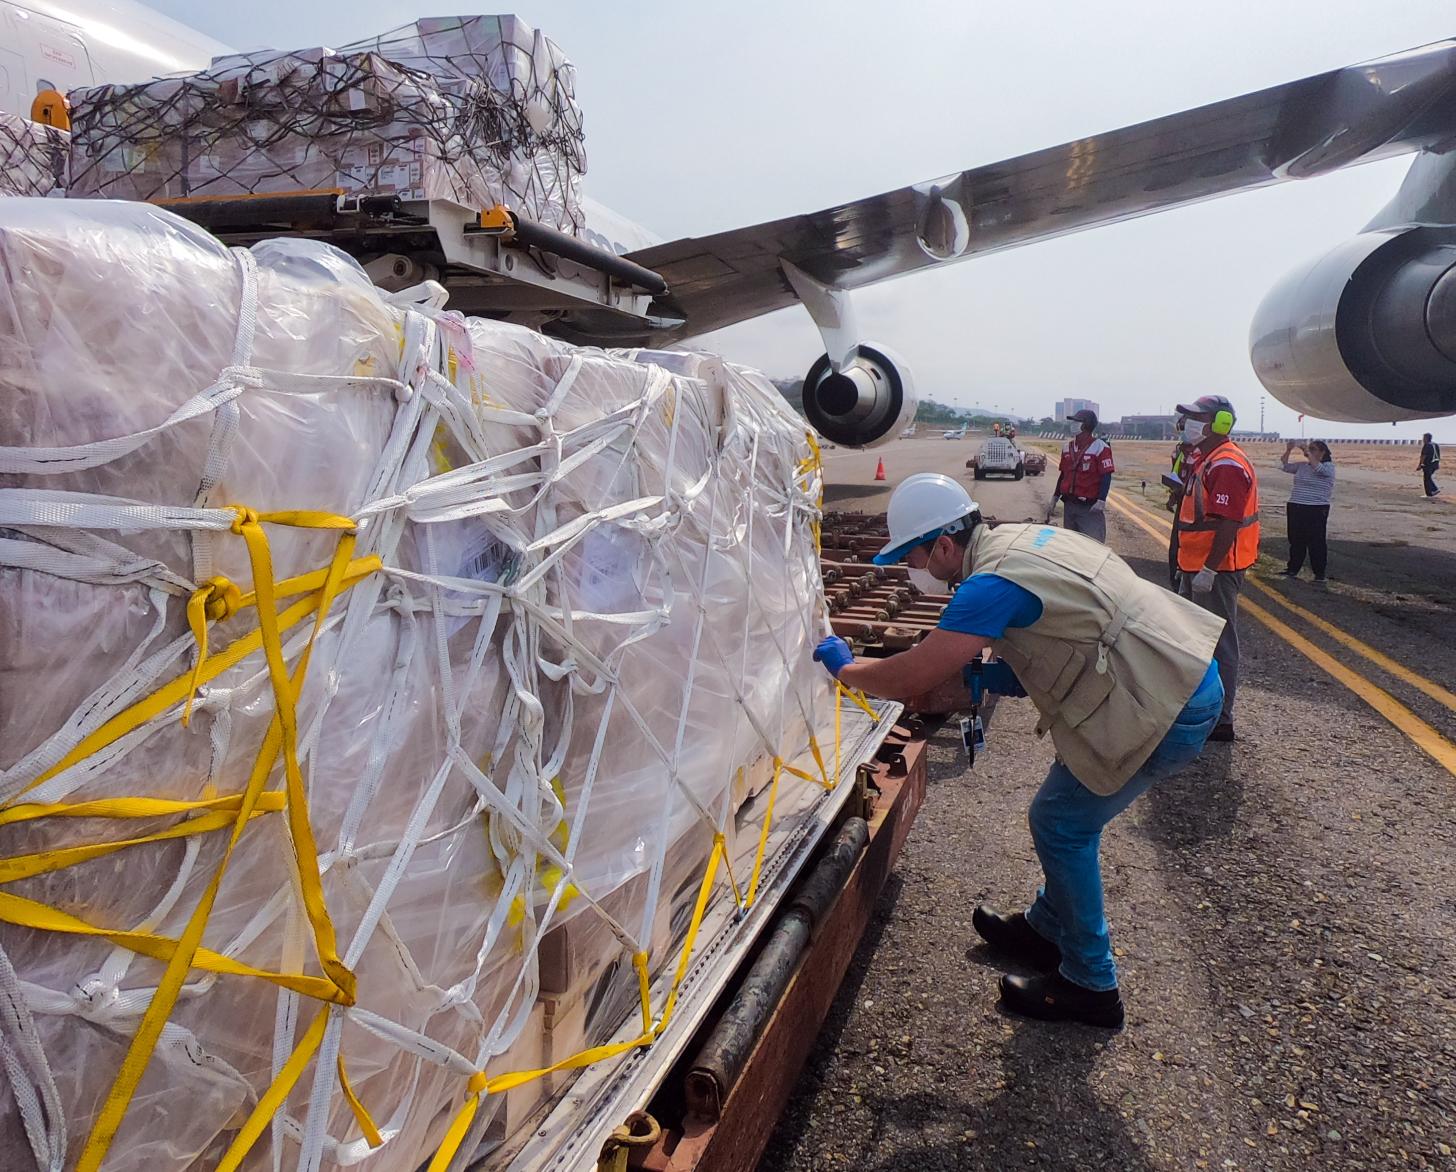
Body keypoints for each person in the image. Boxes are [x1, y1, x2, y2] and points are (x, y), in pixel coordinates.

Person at [812, 472, 1225, 1029]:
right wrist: (1002, 677)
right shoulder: (1022, 542)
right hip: (1172, 672)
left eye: (914, 557)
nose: (913, 572)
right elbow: (1062, 630)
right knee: (1067, 800)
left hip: (1161, 701)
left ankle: (1090, 985)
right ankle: (1047, 928)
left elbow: (912, 674)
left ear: (944, 545)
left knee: (1060, 823)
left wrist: (848, 668)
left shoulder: (988, 585)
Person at [1173, 395, 1259, 743]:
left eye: (1197, 417)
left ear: (1220, 423)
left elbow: (1228, 523)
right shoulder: (1204, 459)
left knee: (1219, 644)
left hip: (1217, 570)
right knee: (1191, 641)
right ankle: (1195, 708)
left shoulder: (1226, 464)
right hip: (1195, 567)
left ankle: (1221, 721)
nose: (1188, 423)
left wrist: (1208, 569)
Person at [1047, 409, 1115, 542]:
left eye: (1076, 421)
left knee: (1093, 546)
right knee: (1071, 546)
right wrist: (1055, 496)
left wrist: (1101, 500)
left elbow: (1106, 475)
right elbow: (1063, 475)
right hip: (1070, 506)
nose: (1073, 424)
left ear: (1085, 425)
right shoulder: (1067, 447)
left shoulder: (1100, 448)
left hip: (1089, 508)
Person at [1278, 439, 1335, 582]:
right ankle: (1292, 569)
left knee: (1316, 541)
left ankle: (1319, 573)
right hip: (1297, 505)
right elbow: (1283, 465)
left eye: (1313, 449)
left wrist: (1307, 451)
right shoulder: (1303, 466)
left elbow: (1319, 469)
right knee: (1296, 540)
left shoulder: (1328, 467)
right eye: (1310, 448)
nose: (1309, 451)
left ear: (1322, 452)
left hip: (1316, 508)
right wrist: (1289, 449)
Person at [1418, 433, 1441, 498]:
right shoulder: (1435, 444)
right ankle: (1434, 489)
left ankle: (1430, 493)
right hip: (1435, 464)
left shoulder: (1427, 445)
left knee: (1426, 479)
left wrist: (1420, 465)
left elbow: (1423, 456)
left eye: (1423, 438)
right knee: (1428, 477)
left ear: (1426, 438)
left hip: (1428, 464)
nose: (1423, 439)